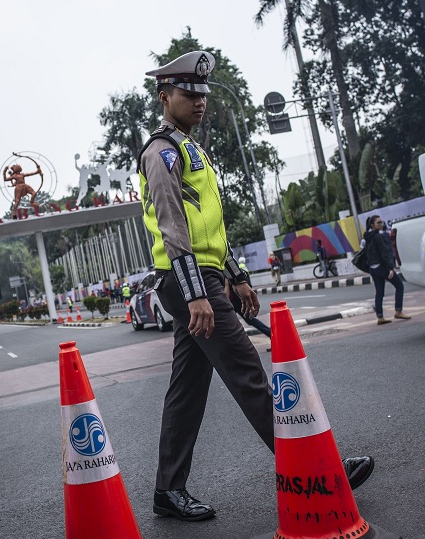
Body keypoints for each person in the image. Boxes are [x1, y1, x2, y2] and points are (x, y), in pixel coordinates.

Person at [138, 50, 374, 522]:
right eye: (189, 94)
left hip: (202, 278)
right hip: (187, 281)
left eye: (202, 94)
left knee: (187, 391)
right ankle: (316, 469)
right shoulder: (161, 153)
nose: (200, 102)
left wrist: (237, 275)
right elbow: (173, 229)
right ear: (166, 98)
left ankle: (168, 489)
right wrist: (197, 293)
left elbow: (210, 228)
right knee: (248, 374)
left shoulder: (191, 149)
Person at [364, 215, 411, 325]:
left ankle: (380, 316)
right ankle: (398, 311)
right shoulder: (378, 237)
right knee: (399, 286)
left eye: (382, 222)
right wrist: (390, 268)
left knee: (379, 292)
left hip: (373, 268)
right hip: (382, 267)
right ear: (372, 225)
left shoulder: (367, 238)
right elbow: (385, 254)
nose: (381, 224)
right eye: (378, 223)